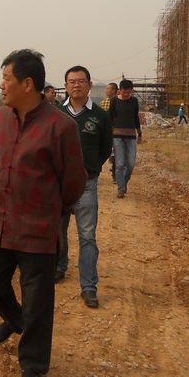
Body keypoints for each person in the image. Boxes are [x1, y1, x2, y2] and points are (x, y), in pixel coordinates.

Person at [0, 49, 86, 377]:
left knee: (38, 299)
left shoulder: (62, 127)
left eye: (6, 78)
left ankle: (34, 363)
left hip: (38, 228)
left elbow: (73, 182)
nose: (1, 85)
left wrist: (51, 210)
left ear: (27, 84)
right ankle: (16, 320)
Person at [56, 66, 112, 309]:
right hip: (58, 184)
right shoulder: (56, 114)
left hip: (86, 184)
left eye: (81, 81)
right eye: (72, 81)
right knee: (57, 232)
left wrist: (91, 168)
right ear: (66, 86)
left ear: (89, 85)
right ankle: (59, 267)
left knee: (87, 236)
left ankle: (88, 286)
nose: (76, 85)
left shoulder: (100, 116)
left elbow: (105, 148)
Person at [109, 79, 141, 199]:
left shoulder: (134, 101)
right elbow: (110, 117)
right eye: (124, 92)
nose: (126, 94)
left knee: (131, 164)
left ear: (131, 90)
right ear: (120, 90)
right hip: (117, 136)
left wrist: (140, 133)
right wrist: (109, 134)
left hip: (131, 136)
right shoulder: (114, 101)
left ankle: (124, 182)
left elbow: (135, 117)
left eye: (129, 92)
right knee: (120, 164)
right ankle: (121, 189)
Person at [100, 83, 118, 181]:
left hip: (117, 131)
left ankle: (115, 173)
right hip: (106, 131)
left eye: (108, 89)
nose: (106, 91)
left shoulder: (120, 102)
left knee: (116, 153)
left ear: (114, 91)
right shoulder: (104, 103)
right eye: (106, 89)